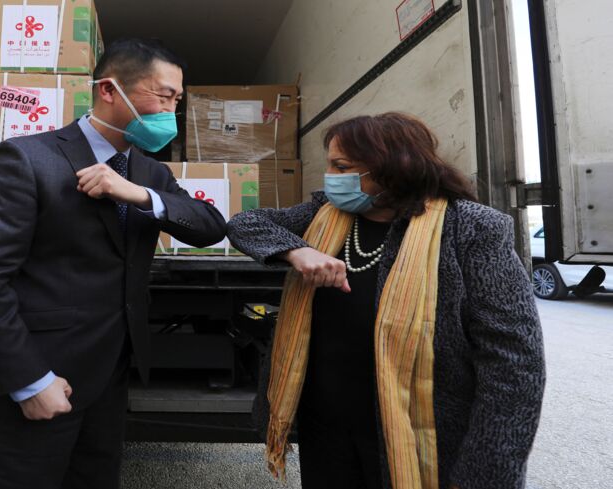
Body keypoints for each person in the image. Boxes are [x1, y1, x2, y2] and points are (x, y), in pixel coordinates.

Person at [0, 38, 227, 489]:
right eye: (163, 95)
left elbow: (210, 226)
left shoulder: (149, 172)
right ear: (108, 90)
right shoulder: (27, 158)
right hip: (44, 371)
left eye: (177, 99)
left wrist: (137, 194)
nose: (172, 110)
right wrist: (28, 379)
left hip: (110, 374)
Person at [227, 112, 545, 489]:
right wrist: (296, 251)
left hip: (419, 431)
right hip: (325, 425)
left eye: (341, 166)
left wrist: (484, 472)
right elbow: (245, 223)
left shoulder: (471, 228)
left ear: (394, 168)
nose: (330, 176)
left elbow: (514, 362)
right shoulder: (324, 213)